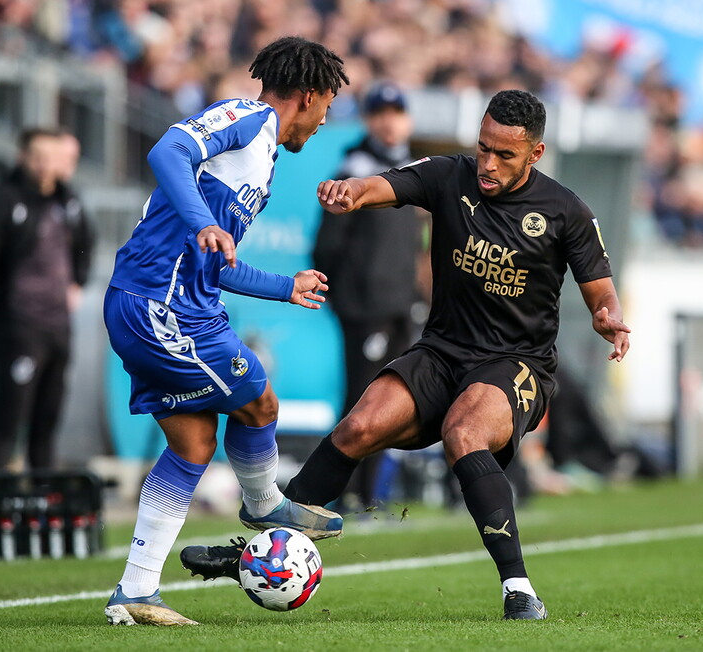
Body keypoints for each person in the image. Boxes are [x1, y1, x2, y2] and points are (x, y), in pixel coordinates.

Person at [182, 90, 631, 620]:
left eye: (504, 155)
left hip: (516, 363)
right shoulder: (450, 175)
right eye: (483, 147)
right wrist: (353, 191)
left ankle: (519, 588)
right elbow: (385, 184)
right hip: (441, 352)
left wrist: (607, 314)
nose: (488, 163)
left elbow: (599, 287)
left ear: (534, 154)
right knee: (357, 428)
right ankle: (261, 553)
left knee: (464, 434)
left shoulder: (566, 211)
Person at [101, 36, 350, 627]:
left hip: (177, 305)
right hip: (159, 306)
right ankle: (265, 506)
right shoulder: (248, 117)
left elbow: (217, 258)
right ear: (309, 96)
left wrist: (284, 286)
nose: (323, 121)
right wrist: (203, 220)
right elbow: (167, 149)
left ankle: (135, 592)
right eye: (326, 107)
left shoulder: (260, 155)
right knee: (259, 399)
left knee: (191, 447)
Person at [0, 128, 93, 530]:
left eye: (56, 156)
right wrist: (2, 316)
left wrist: (76, 284)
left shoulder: (68, 201)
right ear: (23, 157)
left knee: (46, 419)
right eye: (40, 156)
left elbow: (86, 244)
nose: (49, 165)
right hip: (9, 331)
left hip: (55, 327)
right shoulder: (4, 200)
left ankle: (41, 509)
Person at [312, 81, 422, 510]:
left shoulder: (411, 172)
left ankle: (370, 493)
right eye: (381, 114)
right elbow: (328, 244)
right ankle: (340, 491)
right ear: (368, 120)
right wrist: (343, 298)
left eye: (397, 113)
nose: (390, 123)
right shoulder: (353, 169)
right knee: (361, 397)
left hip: (399, 304)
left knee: (391, 404)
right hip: (364, 307)